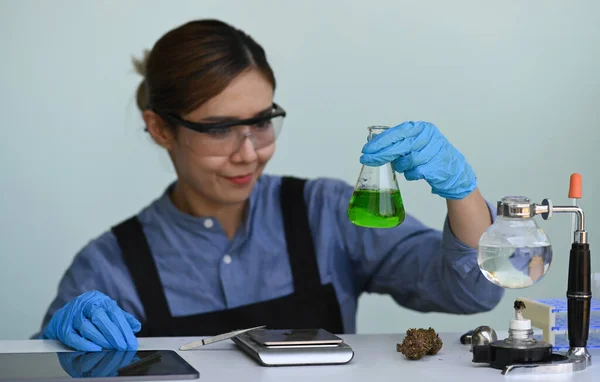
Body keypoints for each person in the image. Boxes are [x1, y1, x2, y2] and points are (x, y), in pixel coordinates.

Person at [35, 19, 505, 352]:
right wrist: (60, 344)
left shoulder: (324, 212)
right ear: (160, 129)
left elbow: (471, 294)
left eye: (261, 122)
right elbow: (42, 374)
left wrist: (461, 190)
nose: (248, 152)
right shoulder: (110, 264)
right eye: (218, 128)